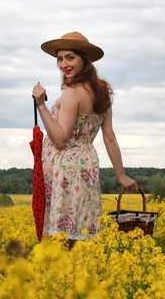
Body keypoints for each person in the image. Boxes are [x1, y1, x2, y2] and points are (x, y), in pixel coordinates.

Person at [32, 31, 138, 249]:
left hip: (64, 169)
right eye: (60, 59)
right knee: (79, 233)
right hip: (87, 167)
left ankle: (63, 279)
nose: (63, 64)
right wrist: (121, 175)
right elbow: (109, 136)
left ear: (84, 60)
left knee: (62, 239)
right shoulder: (102, 93)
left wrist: (41, 105)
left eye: (70, 57)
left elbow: (60, 139)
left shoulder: (72, 93)